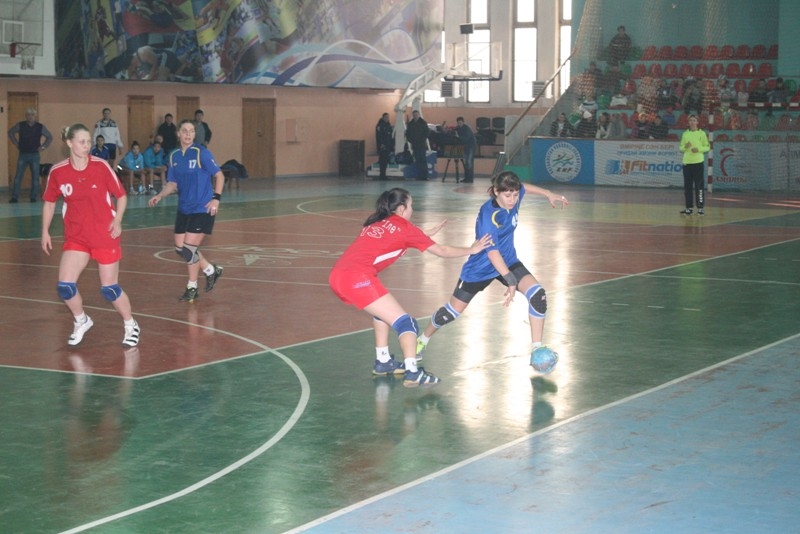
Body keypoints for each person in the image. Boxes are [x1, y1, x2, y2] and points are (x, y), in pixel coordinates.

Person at [328, 187, 491, 387]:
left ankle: (383, 361)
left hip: (338, 275)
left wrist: (424, 234)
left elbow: (396, 237)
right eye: (411, 205)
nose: (412, 209)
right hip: (356, 278)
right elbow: (442, 250)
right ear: (401, 208)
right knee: (407, 324)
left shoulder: (377, 221)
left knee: (382, 313)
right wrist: (472, 249)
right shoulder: (406, 229)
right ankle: (412, 372)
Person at [415, 171, 568, 366]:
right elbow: (492, 254)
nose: (513, 199)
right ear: (496, 191)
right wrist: (511, 281)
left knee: (538, 295)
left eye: (515, 195)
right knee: (452, 312)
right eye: (508, 195)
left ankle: (536, 349)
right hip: (481, 267)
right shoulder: (489, 215)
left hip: (508, 260)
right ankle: (422, 339)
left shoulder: (514, 196)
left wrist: (548, 193)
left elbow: (525, 188)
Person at [41, 123, 140, 347]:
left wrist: (117, 220)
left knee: (109, 289)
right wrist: (45, 231)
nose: (87, 146)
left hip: (104, 234)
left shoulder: (101, 166)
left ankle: (130, 324)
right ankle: (81, 320)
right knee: (65, 287)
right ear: (69, 143)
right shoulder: (58, 172)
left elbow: (121, 196)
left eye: (89, 142)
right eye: (82, 142)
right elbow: (49, 203)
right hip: (77, 236)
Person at [148, 119, 224, 302]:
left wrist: (216, 198)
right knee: (180, 248)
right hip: (184, 208)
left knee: (189, 249)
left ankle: (192, 287)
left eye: (191, 131)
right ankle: (210, 270)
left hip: (202, 208)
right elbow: (172, 183)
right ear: (178, 134)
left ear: (194, 134)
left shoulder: (201, 153)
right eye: (184, 131)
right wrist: (160, 195)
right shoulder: (174, 156)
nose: (188, 134)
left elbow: (219, 175)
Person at [7, 107, 53, 203]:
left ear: (35, 116)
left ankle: (33, 197)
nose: (30, 117)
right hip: (23, 154)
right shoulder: (20, 125)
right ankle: (15, 197)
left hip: (35, 155)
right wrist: (16, 143)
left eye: (32, 115)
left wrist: (43, 147)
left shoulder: (40, 127)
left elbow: (49, 137)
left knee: (35, 177)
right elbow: (11, 132)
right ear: (26, 116)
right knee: (18, 176)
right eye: (28, 115)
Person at [679, 114, 710, 215]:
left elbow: (707, 147)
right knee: (687, 186)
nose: (692, 122)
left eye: (694, 120)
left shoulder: (702, 133)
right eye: (690, 120)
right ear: (688, 122)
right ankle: (689, 208)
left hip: (698, 163)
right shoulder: (685, 134)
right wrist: (685, 147)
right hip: (687, 163)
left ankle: (700, 208)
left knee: (699, 186)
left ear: (697, 122)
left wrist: (699, 149)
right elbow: (681, 148)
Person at [405, 110, 429, 180]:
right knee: (417, 160)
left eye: (416, 115)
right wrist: (411, 141)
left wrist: (422, 139)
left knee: (423, 160)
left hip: (422, 145)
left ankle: (425, 176)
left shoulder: (423, 123)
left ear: (419, 115)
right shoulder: (410, 124)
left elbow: (427, 132)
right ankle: (419, 175)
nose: (415, 116)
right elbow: (407, 134)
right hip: (415, 145)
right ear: (413, 115)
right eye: (414, 115)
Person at [455, 116, 477, 183]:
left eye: (460, 122)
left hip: (471, 147)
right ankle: (466, 178)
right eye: (458, 123)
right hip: (465, 147)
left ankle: (470, 179)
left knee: (469, 162)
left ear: (463, 122)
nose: (459, 124)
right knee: (466, 163)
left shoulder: (467, 129)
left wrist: (458, 137)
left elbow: (466, 138)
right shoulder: (458, 128)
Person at [374, 112, 393, 181]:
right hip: (382, 147)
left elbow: (390, 137)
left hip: (387, 146)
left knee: (385, 161)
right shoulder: (380, 126)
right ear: (383, 118)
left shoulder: (388, 125)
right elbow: (379, 136)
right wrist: (382, 144)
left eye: (388, 117)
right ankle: (382, 175)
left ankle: (384, 175)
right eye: (386, 117)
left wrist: (391, 146)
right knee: (382, 161)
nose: (387, 119)